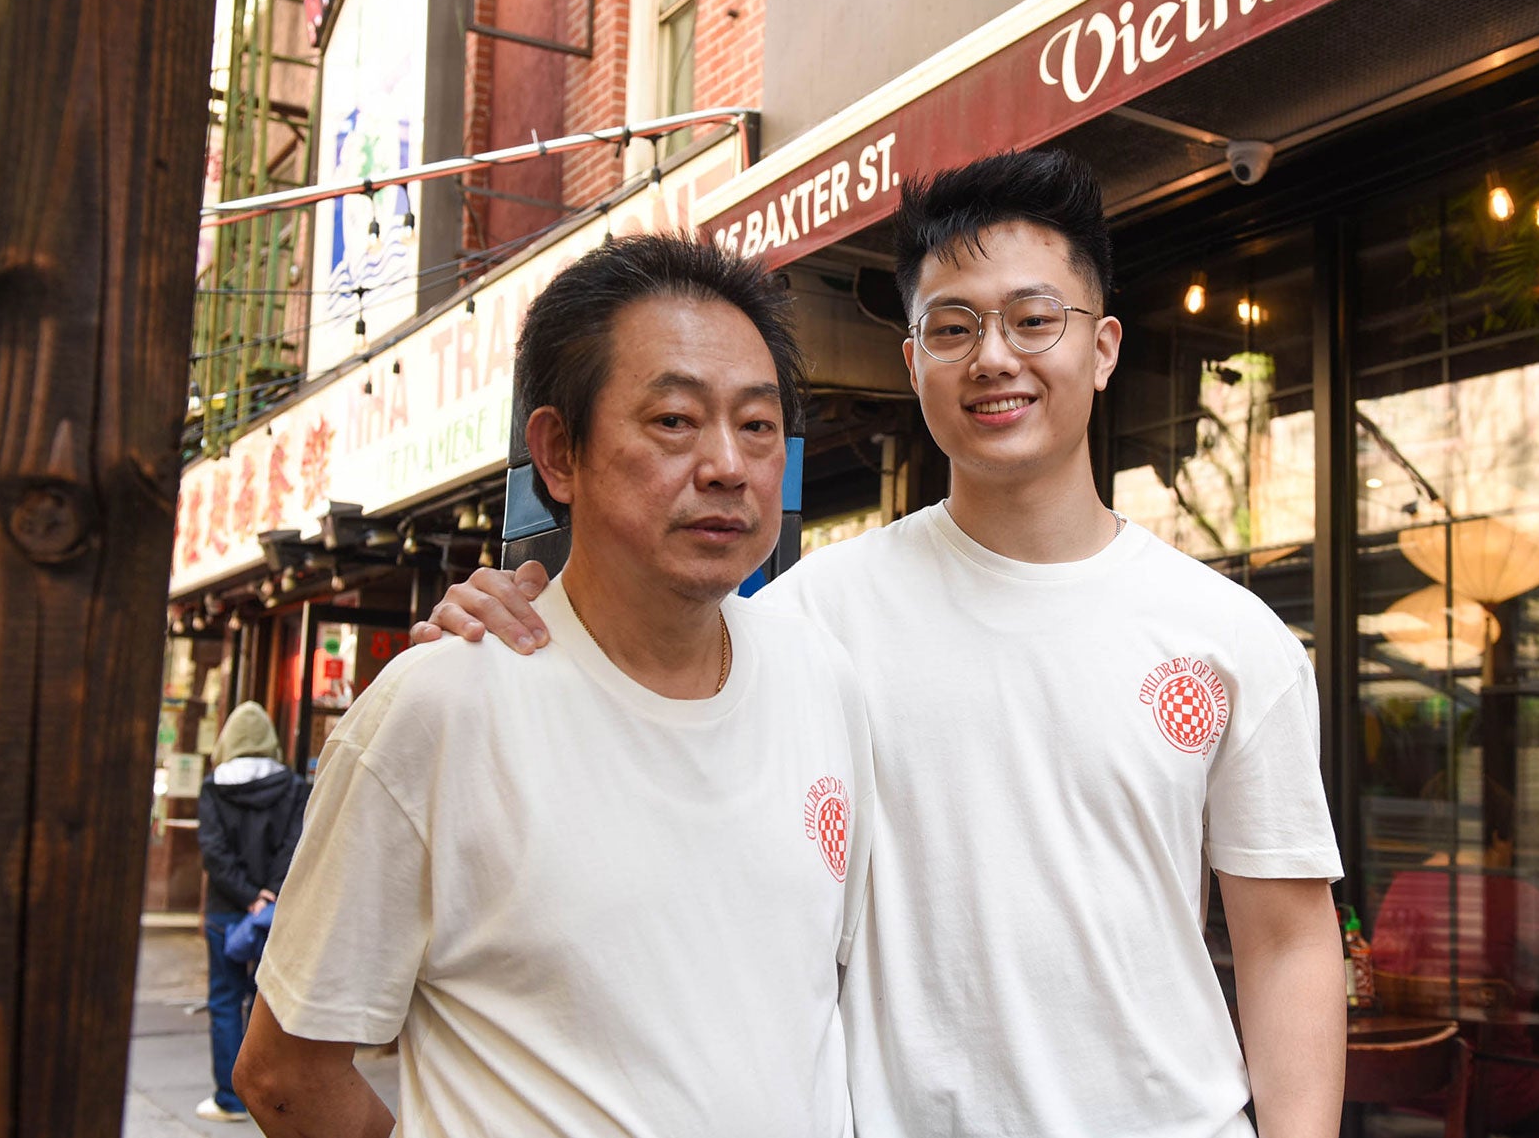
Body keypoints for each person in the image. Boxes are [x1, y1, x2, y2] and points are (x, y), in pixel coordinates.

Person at [418, 151, 1346, 1137]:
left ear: (1103, 346)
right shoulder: (805, 618)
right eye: (952, 326)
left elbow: (1286, 941)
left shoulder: (1230, 637)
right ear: (913, 362)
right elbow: (629, 674)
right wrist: (512, 612)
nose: (992, 356)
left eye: (1033, 319)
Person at [232, 234, 873, 1138]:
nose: (728, 463)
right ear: (559, 454)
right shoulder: (443, 706)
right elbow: (286, 1072)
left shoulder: (822, 679)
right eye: (675, 421)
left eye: (758, 425)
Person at [1371, 776, 1539, 1133]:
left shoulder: (1401, 886)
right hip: (1494, 1090)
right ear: (1496, 837)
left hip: (1412, 1087)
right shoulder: (1511, 894)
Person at [194, 700, 310, 1123]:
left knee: (225, 1001)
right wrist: (270, 895)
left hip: (227, 912)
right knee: (271, 1004)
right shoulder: (295, 787)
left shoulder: (213, 787)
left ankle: (229, 1097)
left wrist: (246, 896)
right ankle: (272, 1098)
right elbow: (296, 845)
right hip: (276, 915)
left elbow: (214, 853)